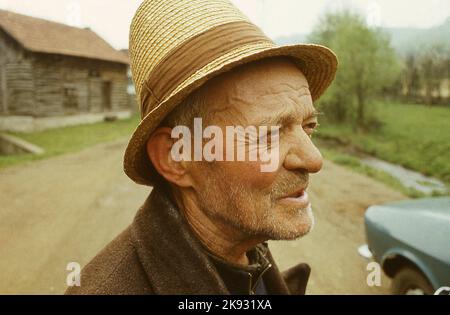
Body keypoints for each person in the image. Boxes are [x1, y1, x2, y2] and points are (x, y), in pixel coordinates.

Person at [66, 0, 337, 295]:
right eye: (269, 134)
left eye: (309, 126)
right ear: (176, 157)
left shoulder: (242, 252)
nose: (314, 159)